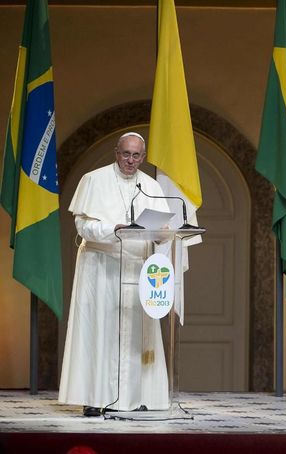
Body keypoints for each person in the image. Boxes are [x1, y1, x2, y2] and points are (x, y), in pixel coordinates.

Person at [59, 132, 171, 417]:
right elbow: (82, 226)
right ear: (116, 152)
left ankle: (140, 396)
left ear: (143, 158)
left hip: (137, 269)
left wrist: (161, 235)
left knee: (138, 336)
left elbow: (161, 227)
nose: (130, 161)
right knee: (100, 332)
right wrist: (113, 229)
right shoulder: (93, 180)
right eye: (125, 154)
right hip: (101, 268)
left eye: (136, 156)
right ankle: (95, 397)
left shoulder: (151, 186)